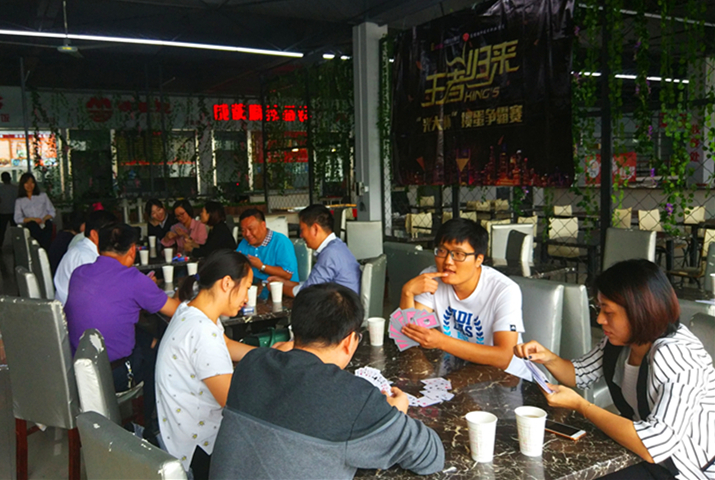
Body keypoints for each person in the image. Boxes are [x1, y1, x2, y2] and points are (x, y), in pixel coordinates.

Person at [209, 283, 445, 480]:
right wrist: (395, 415)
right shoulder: (353, 398)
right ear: (349, 341)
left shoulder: (251, 364)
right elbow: (431, 456)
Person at [514, 259, 715, 480]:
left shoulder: (677, 355)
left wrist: (582, 406)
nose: (600, 319)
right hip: (642, 453)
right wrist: (548, 358)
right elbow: (579, 373)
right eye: (599, 309)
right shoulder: (623, 341)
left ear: (640, 311)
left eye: (608, 312)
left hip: (686, 468)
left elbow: (655, 444)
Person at [64, 223, 181, 431]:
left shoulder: (78, 273)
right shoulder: (134, 280)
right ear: (133, 249)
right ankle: (151, 426)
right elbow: (176, 310)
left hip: (77, 368)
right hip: (113, 375)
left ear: (98, 246)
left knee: (141, 333)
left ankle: (152, 343)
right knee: (159, 357)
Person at [156, 250, 257, 479]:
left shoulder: (190, 310)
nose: (246, 298)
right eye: (247, 288)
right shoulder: (202, 332)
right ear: (227, 283)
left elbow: (225, 343)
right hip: (197, 451)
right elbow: (235, 404)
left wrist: (267, 354)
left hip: (177, 433)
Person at [399, 218, 529, 378]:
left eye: (458, 254)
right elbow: (412, 335)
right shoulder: (431, 279)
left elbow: (504, 357)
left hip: (505, 380)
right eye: (442, 251)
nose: (448, 261)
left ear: (479, 259)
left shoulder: (504, 290)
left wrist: (441, 341)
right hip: (458, 372)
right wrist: (407, 293)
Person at [268, 204, 361, 298]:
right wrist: (284, 282)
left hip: (343, 306)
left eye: (302, 230)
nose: (301, 235)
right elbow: (312, 284)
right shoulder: (337, 246)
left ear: (315, 229)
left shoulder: (330, 254)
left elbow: (308, 292)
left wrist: (278, 288)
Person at [53, 210, 116, 304]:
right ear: (94, 234)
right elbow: (96, 295)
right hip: (73, 310)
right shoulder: (85, 256)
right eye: (111, 233)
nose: (114, 238)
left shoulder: (84, 249)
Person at [236, 208, 298, 284]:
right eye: (243, 230)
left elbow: (288, 274)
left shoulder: (281, 242)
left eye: (251, 229)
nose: (247, 234)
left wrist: (261, 266)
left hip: (281, 288)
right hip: (254, 287)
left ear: (263, 225)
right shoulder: (244, 243)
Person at [14, 172, 55, 250]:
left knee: (48, 225)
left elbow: (52, 211)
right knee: (33, 226)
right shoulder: (20, 201)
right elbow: (17, 218)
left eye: (31, 182)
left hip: (45, 223)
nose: (29, 185)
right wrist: (32, 219)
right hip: (32, 225)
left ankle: (46, 250)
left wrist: (45, 218)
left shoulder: (42, 196)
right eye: (27, 183)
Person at [0, 172, 16, 248]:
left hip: (3, 212)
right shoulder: (15, 188)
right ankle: (16, 244)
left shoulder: (1, 189)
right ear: (10, 178)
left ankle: (0, 245)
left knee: (1, 230)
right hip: (14, 211)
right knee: (15, 230)